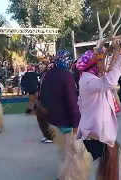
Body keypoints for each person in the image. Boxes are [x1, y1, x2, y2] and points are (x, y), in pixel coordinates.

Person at [76, 39, 121, 179]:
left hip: (100, 135)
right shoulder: (87, 81)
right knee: (95, 172)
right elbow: (109, 81)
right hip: (94, 137)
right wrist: (118, 54)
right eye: (101, 61)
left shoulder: (94, 79)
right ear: (92, 65)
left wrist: (119, 51)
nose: (104, 63)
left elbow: (109, 76)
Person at [39, 50, 82, 180]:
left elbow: (43, 99)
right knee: (71, 152)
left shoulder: (48, 75)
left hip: (54, 121)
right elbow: (72, 102)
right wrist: (76, 123)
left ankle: (68, 173)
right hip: (67, 121)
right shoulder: (67, 76)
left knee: (62, 151)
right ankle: (62, 177)